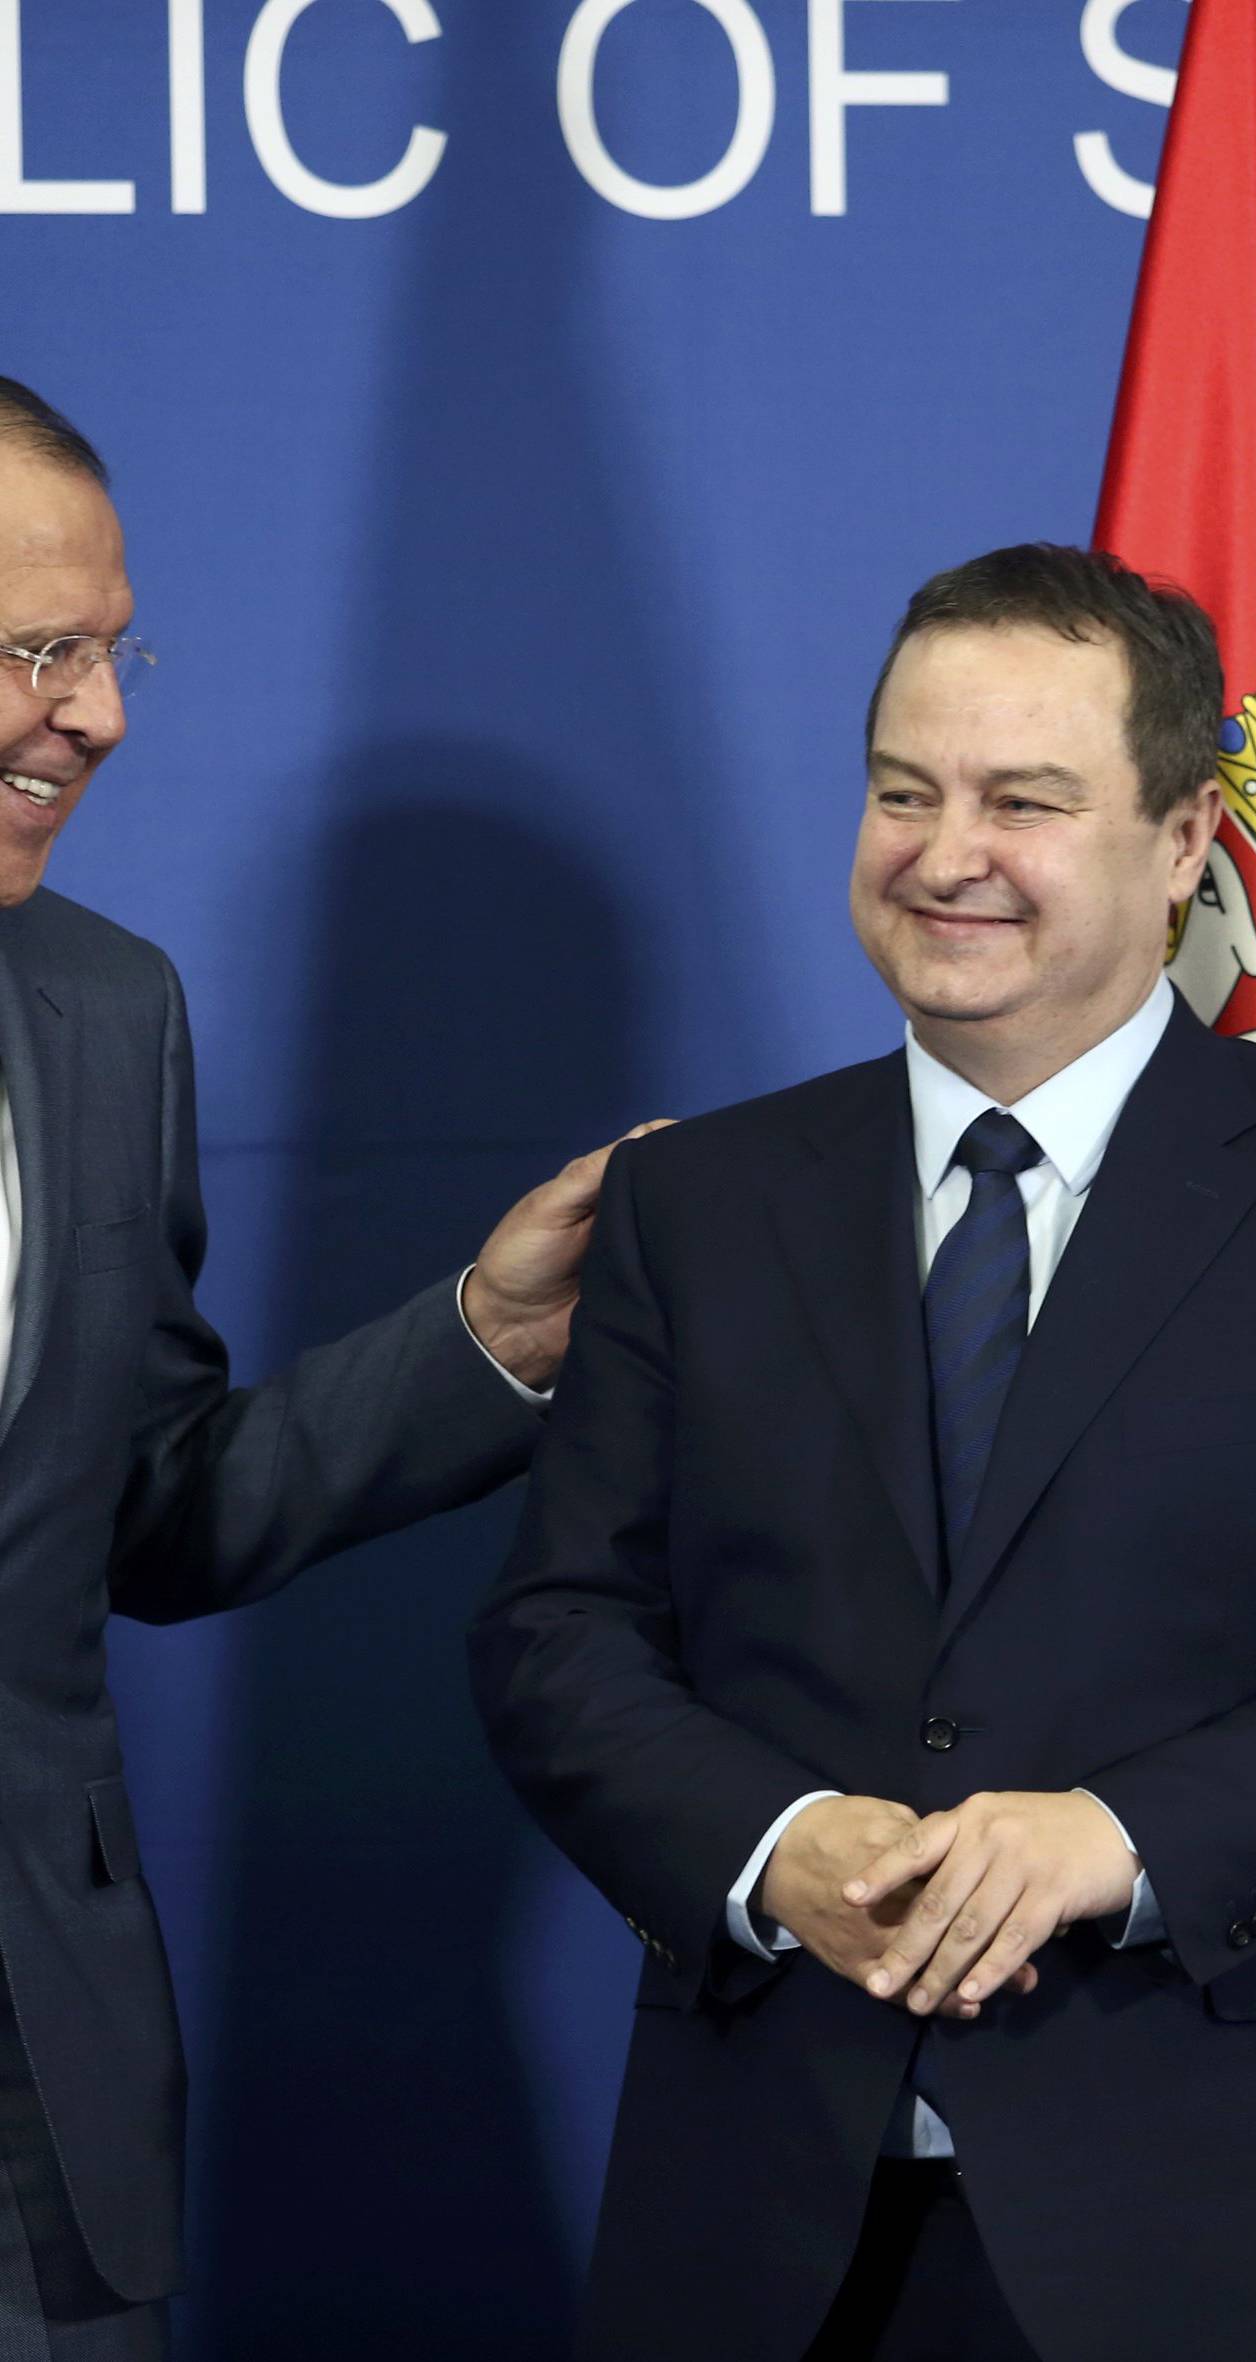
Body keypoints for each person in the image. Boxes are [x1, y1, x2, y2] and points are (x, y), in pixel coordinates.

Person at [471, 544, 1256, 2362]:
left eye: (1025, 800)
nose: (946, 853)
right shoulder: (700, 1197)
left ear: (1183, 843)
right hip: (768, 2226)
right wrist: (769, 1846)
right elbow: (559, 1635)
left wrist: (1120, 1835)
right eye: (904, 790)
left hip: (1243, 2225)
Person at [0, 376, 640, 2358]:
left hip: (35, 2124)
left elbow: (153, 1504)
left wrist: (495, 1335)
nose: (100, 718)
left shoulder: (106, 1012)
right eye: (39, 652)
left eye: (111, 653)